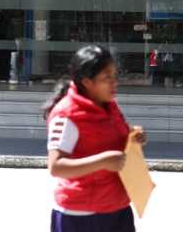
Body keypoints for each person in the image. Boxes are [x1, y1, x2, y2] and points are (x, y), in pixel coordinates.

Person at [43, 45, 147, 232]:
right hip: (81, 216)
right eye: (107, 78)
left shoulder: (110, 106)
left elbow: (108, 140)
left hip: (117, 207)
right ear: (87, 82)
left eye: (115, 76)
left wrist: (133, 137)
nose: (114, 83)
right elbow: (56, 167)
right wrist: (103, 161)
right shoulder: (66, 115)